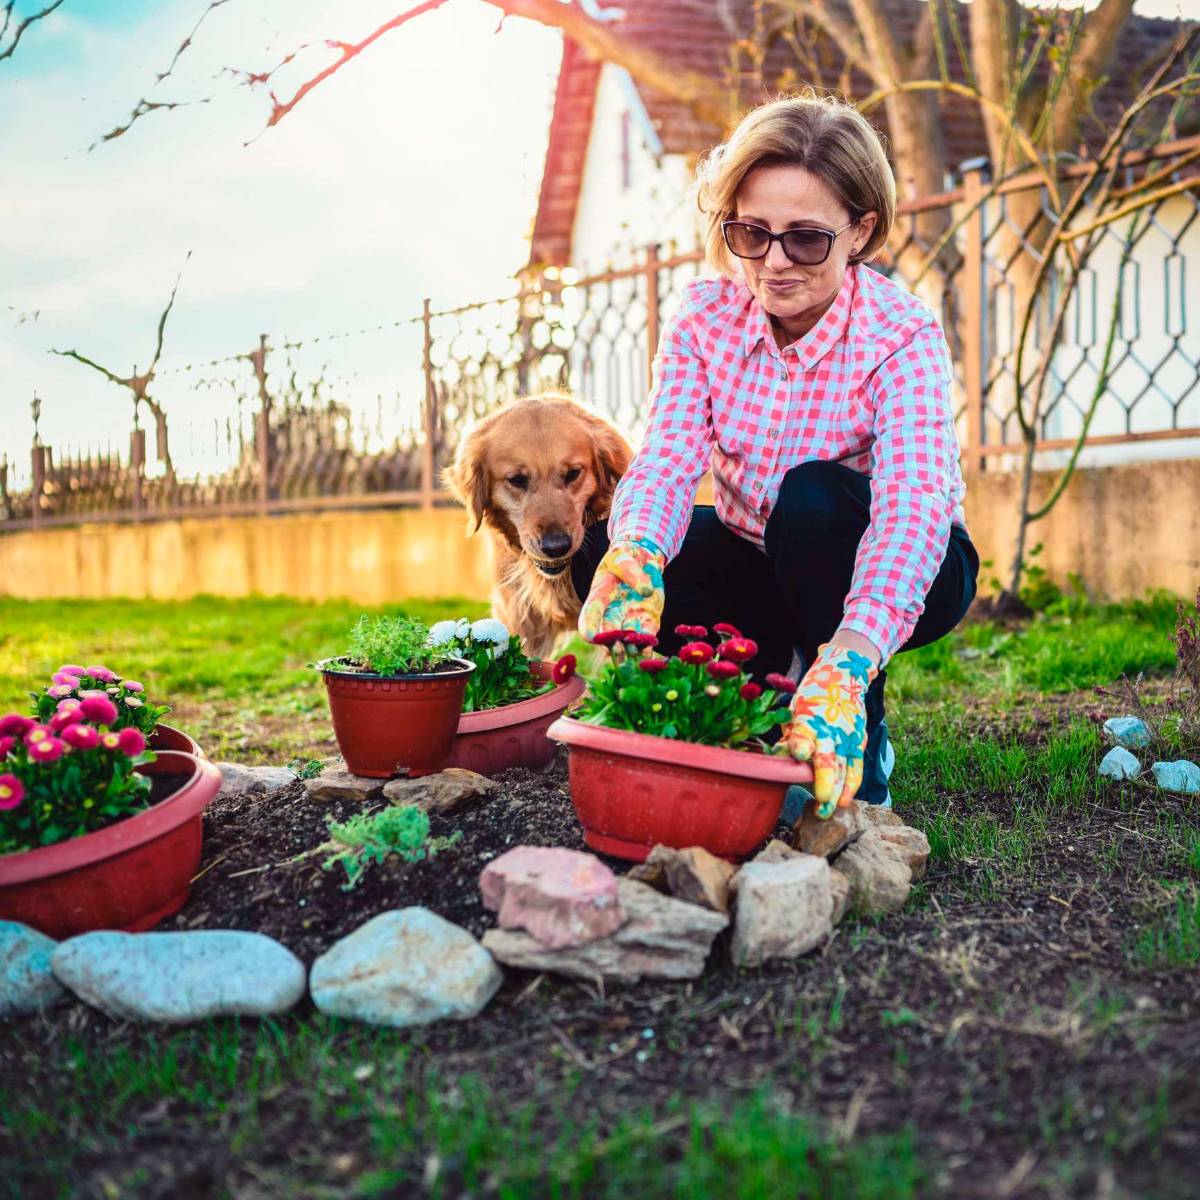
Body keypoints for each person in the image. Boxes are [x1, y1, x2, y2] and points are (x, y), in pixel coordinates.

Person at [572, 94, 979, 820]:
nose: (774, 263)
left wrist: (851, 654)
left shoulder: (900, 334)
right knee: (599, 546)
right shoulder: (704, 316)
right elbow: (668, 457)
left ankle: (853, 714)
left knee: (813, 497)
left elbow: (912, 507)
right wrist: (635, 553)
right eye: (751, 234)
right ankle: (773, 697)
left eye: (806, 240)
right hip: (755, 550)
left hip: (898, 561)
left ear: (862, 230)